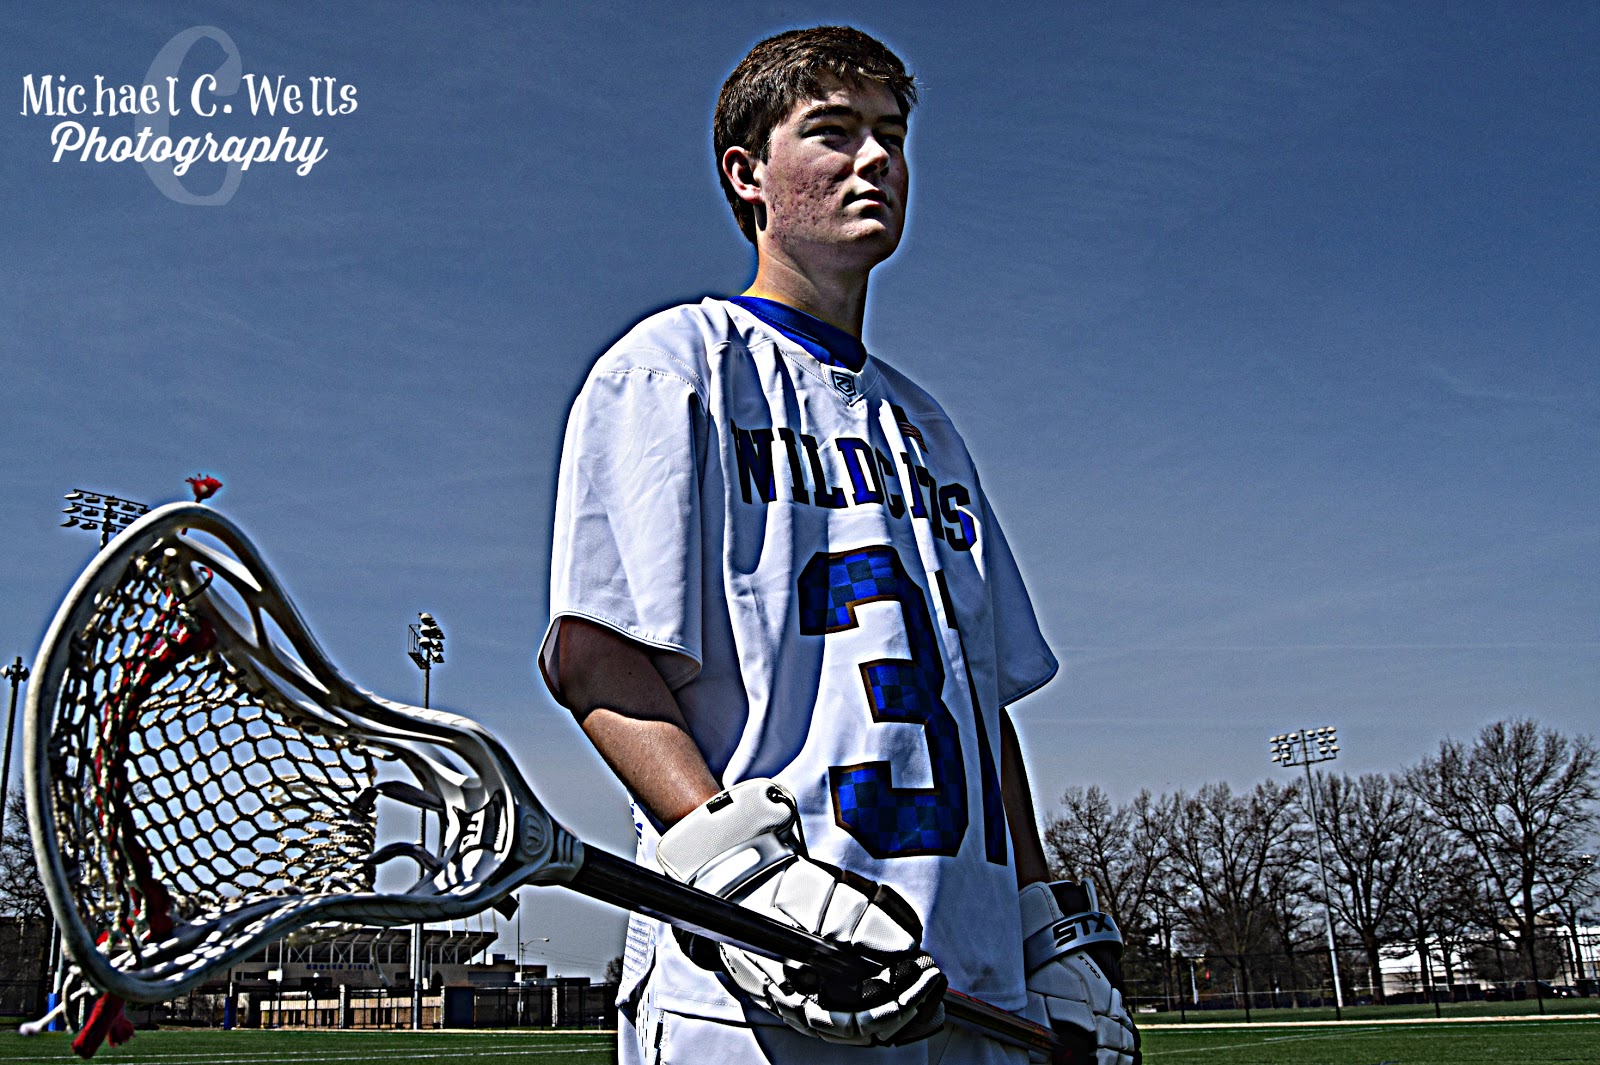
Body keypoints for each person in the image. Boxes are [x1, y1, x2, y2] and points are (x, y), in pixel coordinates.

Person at [541, 25, 1139, 1065]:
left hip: (968, 976)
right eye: (832, 132)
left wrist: (1042, 929)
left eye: (890, 135)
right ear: (747, 174)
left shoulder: (927, 425)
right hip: (766, 978)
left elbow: (977, 707)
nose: (874, 159)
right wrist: (747, 879)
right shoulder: (675, 365)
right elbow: (596, 659)